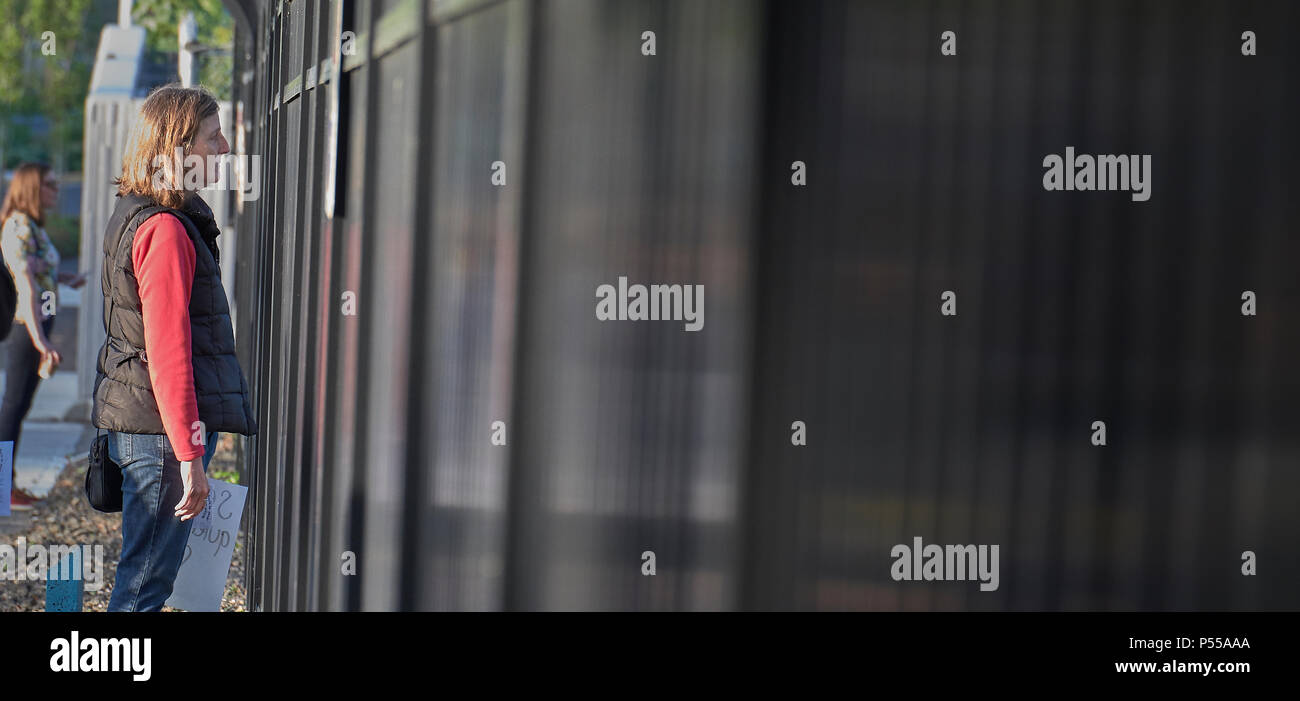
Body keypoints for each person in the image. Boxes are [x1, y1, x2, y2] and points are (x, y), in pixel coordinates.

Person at [92, 84, 258, 611]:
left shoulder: (139, 212)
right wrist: (189, 454)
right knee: (144, 588)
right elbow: (167, 354)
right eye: (213, 137)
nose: (227, 147)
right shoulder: (164, 229)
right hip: (160, 436)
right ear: (178, 149)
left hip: (146, 425)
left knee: (142, 578)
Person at [1, 163, 88, 510]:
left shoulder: (32, 227)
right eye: (50, 185)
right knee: (12, 406)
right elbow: (24, 282)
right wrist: (41, 340)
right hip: (28, 327)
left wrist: (63, 278)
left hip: (39, 324)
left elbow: (40, 273)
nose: (55, 190)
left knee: (19, 406)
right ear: (32, 188)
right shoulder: (19, 226)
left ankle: (9, 483)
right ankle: (3, 485)